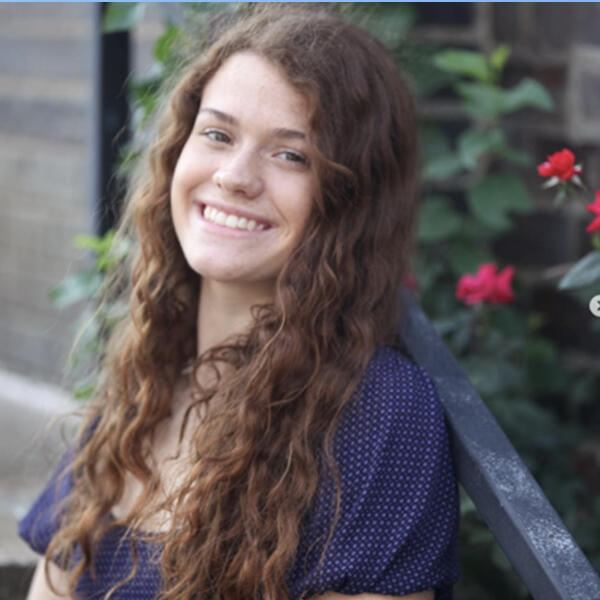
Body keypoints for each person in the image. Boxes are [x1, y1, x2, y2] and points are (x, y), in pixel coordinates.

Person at [19, 5, 460, 600]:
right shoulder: (144, 389)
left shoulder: (378, 415)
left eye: (291, 155)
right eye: (218, 135)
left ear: (350, 202)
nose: (234, 176)